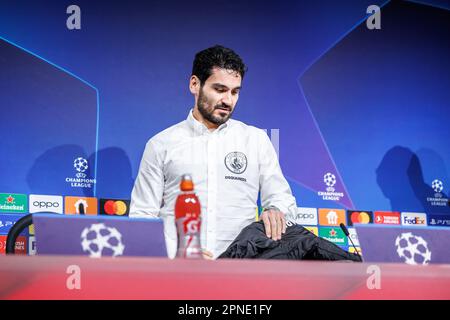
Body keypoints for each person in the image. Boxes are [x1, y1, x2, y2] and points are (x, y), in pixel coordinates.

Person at [130, 45, 298, 259]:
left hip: (240, 271)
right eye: (219, 89)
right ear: (194, 84)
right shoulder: (161, 144)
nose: (228, 100)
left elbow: (282, 200)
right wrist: (180, 254)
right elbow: (142, 216)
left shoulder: (256, 140)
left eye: (235, 92)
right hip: (177, 271)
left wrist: (276, 211)